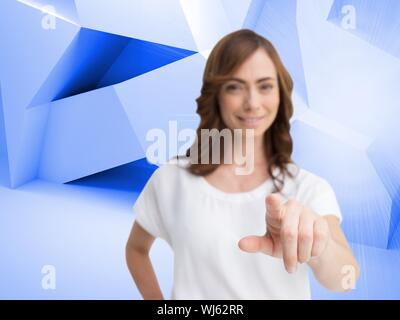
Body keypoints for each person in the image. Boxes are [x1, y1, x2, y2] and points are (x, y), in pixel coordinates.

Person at [125, 29, 360, 300]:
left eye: (265, 86)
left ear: (281, 94)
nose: (252, 103)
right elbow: (136, 250)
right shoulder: (171, 178)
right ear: (216, 95)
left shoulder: (308, 189)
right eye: (235, 86)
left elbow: (346, 278)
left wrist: (321, 245)